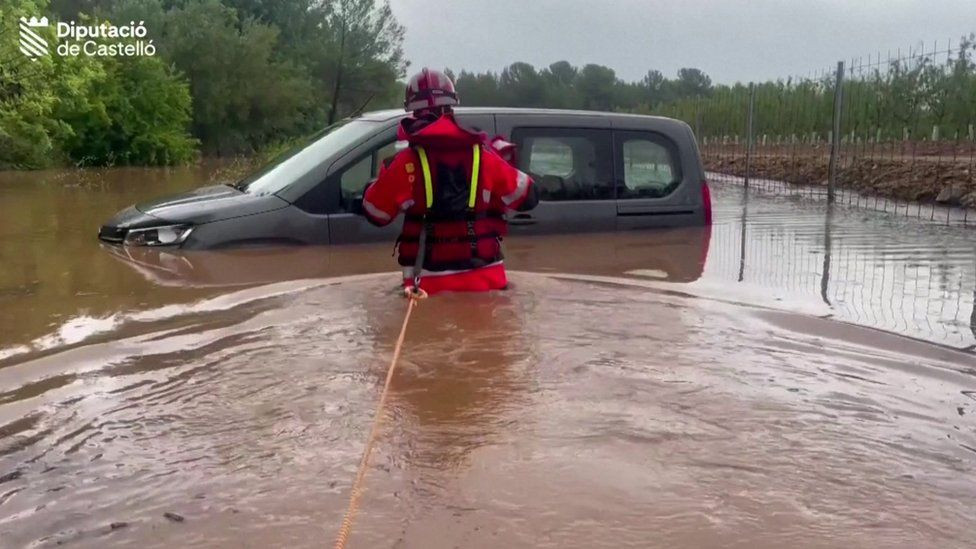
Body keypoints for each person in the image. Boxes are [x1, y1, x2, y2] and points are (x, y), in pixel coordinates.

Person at [361, 68, 537, 295]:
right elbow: (528, 197)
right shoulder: (484, 156)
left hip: (427, 285)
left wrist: (374, 185)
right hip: (487, 281)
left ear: (412, 112)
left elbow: (376, 214)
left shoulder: (404, 164)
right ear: (452, 107)